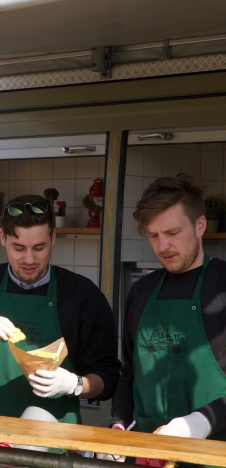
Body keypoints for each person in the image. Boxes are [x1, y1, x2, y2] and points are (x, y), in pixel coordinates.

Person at [0, 194, 119, 423]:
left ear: (53, 237)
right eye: (18, 248)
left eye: (39, 247)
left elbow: (108, 378)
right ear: (2, 238)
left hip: (54, 441)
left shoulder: (82, 295)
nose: (29, 259)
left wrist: (75, 384)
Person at [101, 174, 226, 461]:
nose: (162, 246)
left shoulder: (222, 286)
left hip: (214, 454)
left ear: (200, 225)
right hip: (148, 453)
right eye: (154, 235)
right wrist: (119, 424)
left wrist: (201, 422)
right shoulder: (142, 291)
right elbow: (129, 373)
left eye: (172, 233)